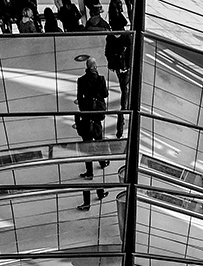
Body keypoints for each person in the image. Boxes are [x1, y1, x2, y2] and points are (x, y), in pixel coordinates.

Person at [76, 58, 110, 211]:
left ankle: (89, 172)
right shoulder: (100, 79)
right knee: (99, 140)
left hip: (87, 116)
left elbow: (80, 98)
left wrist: (85, 111)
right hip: (97, 116)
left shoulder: (81, 80)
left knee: (87, 145)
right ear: (93, 67)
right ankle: (102, 161)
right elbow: (105, 94)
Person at [104, 8, 131, 138]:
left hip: (118, 67)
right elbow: (132, 51)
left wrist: (113, 63)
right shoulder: (126, 36)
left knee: (123, 86)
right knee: (124, 87)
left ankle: (124, 106)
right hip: (124, 66)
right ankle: (124, 107)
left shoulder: (110, 37)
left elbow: (107, 52)